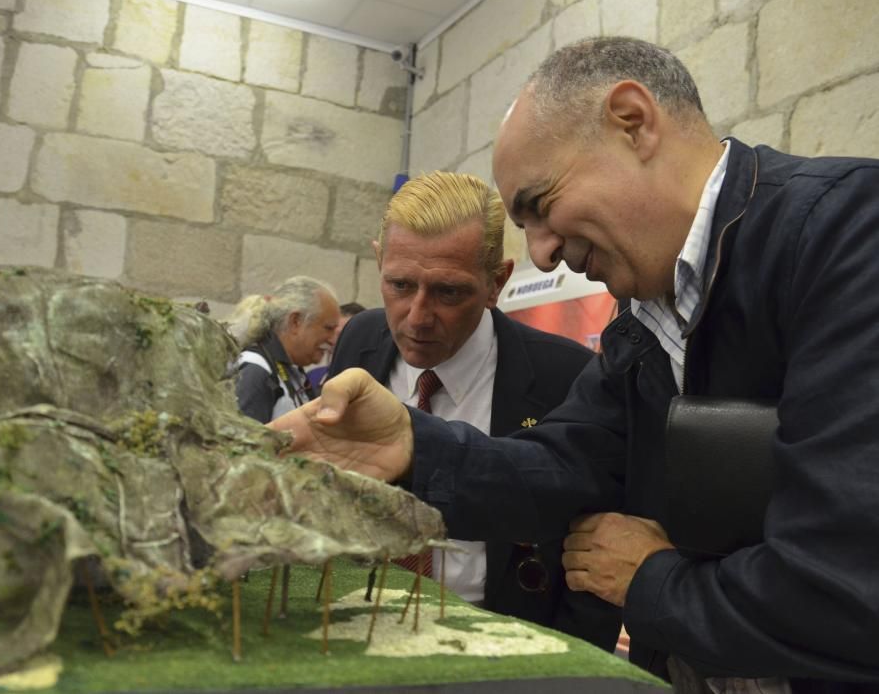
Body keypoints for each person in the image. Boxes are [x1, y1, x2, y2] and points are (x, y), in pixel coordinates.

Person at [271, 36, 879, 692]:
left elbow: (845, 588)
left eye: (539, 206)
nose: (541, 254)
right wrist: (411, 444)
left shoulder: (847, 236)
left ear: (631, 121)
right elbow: (565, 467)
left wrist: (650, 581)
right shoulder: (640, 320)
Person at [328, 170, 619, 648]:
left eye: (448, 292)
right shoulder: (360, 341)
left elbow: (594, 554)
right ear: (379, 262)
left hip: (502, 647)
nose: (417, 318)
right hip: (359, 632)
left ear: (496, 282)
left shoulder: (565, 376)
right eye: (400, 285)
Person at [229, 276, 340, 423]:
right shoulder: (255, 370)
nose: (333, 340)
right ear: (295, 321)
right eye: (328, 328)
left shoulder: (291, 371)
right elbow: (240, 443)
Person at [307, 301, 366, 390]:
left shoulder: (377, 379)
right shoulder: (313, 377)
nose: (331, 340)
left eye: (342, 334)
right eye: (330, 331)